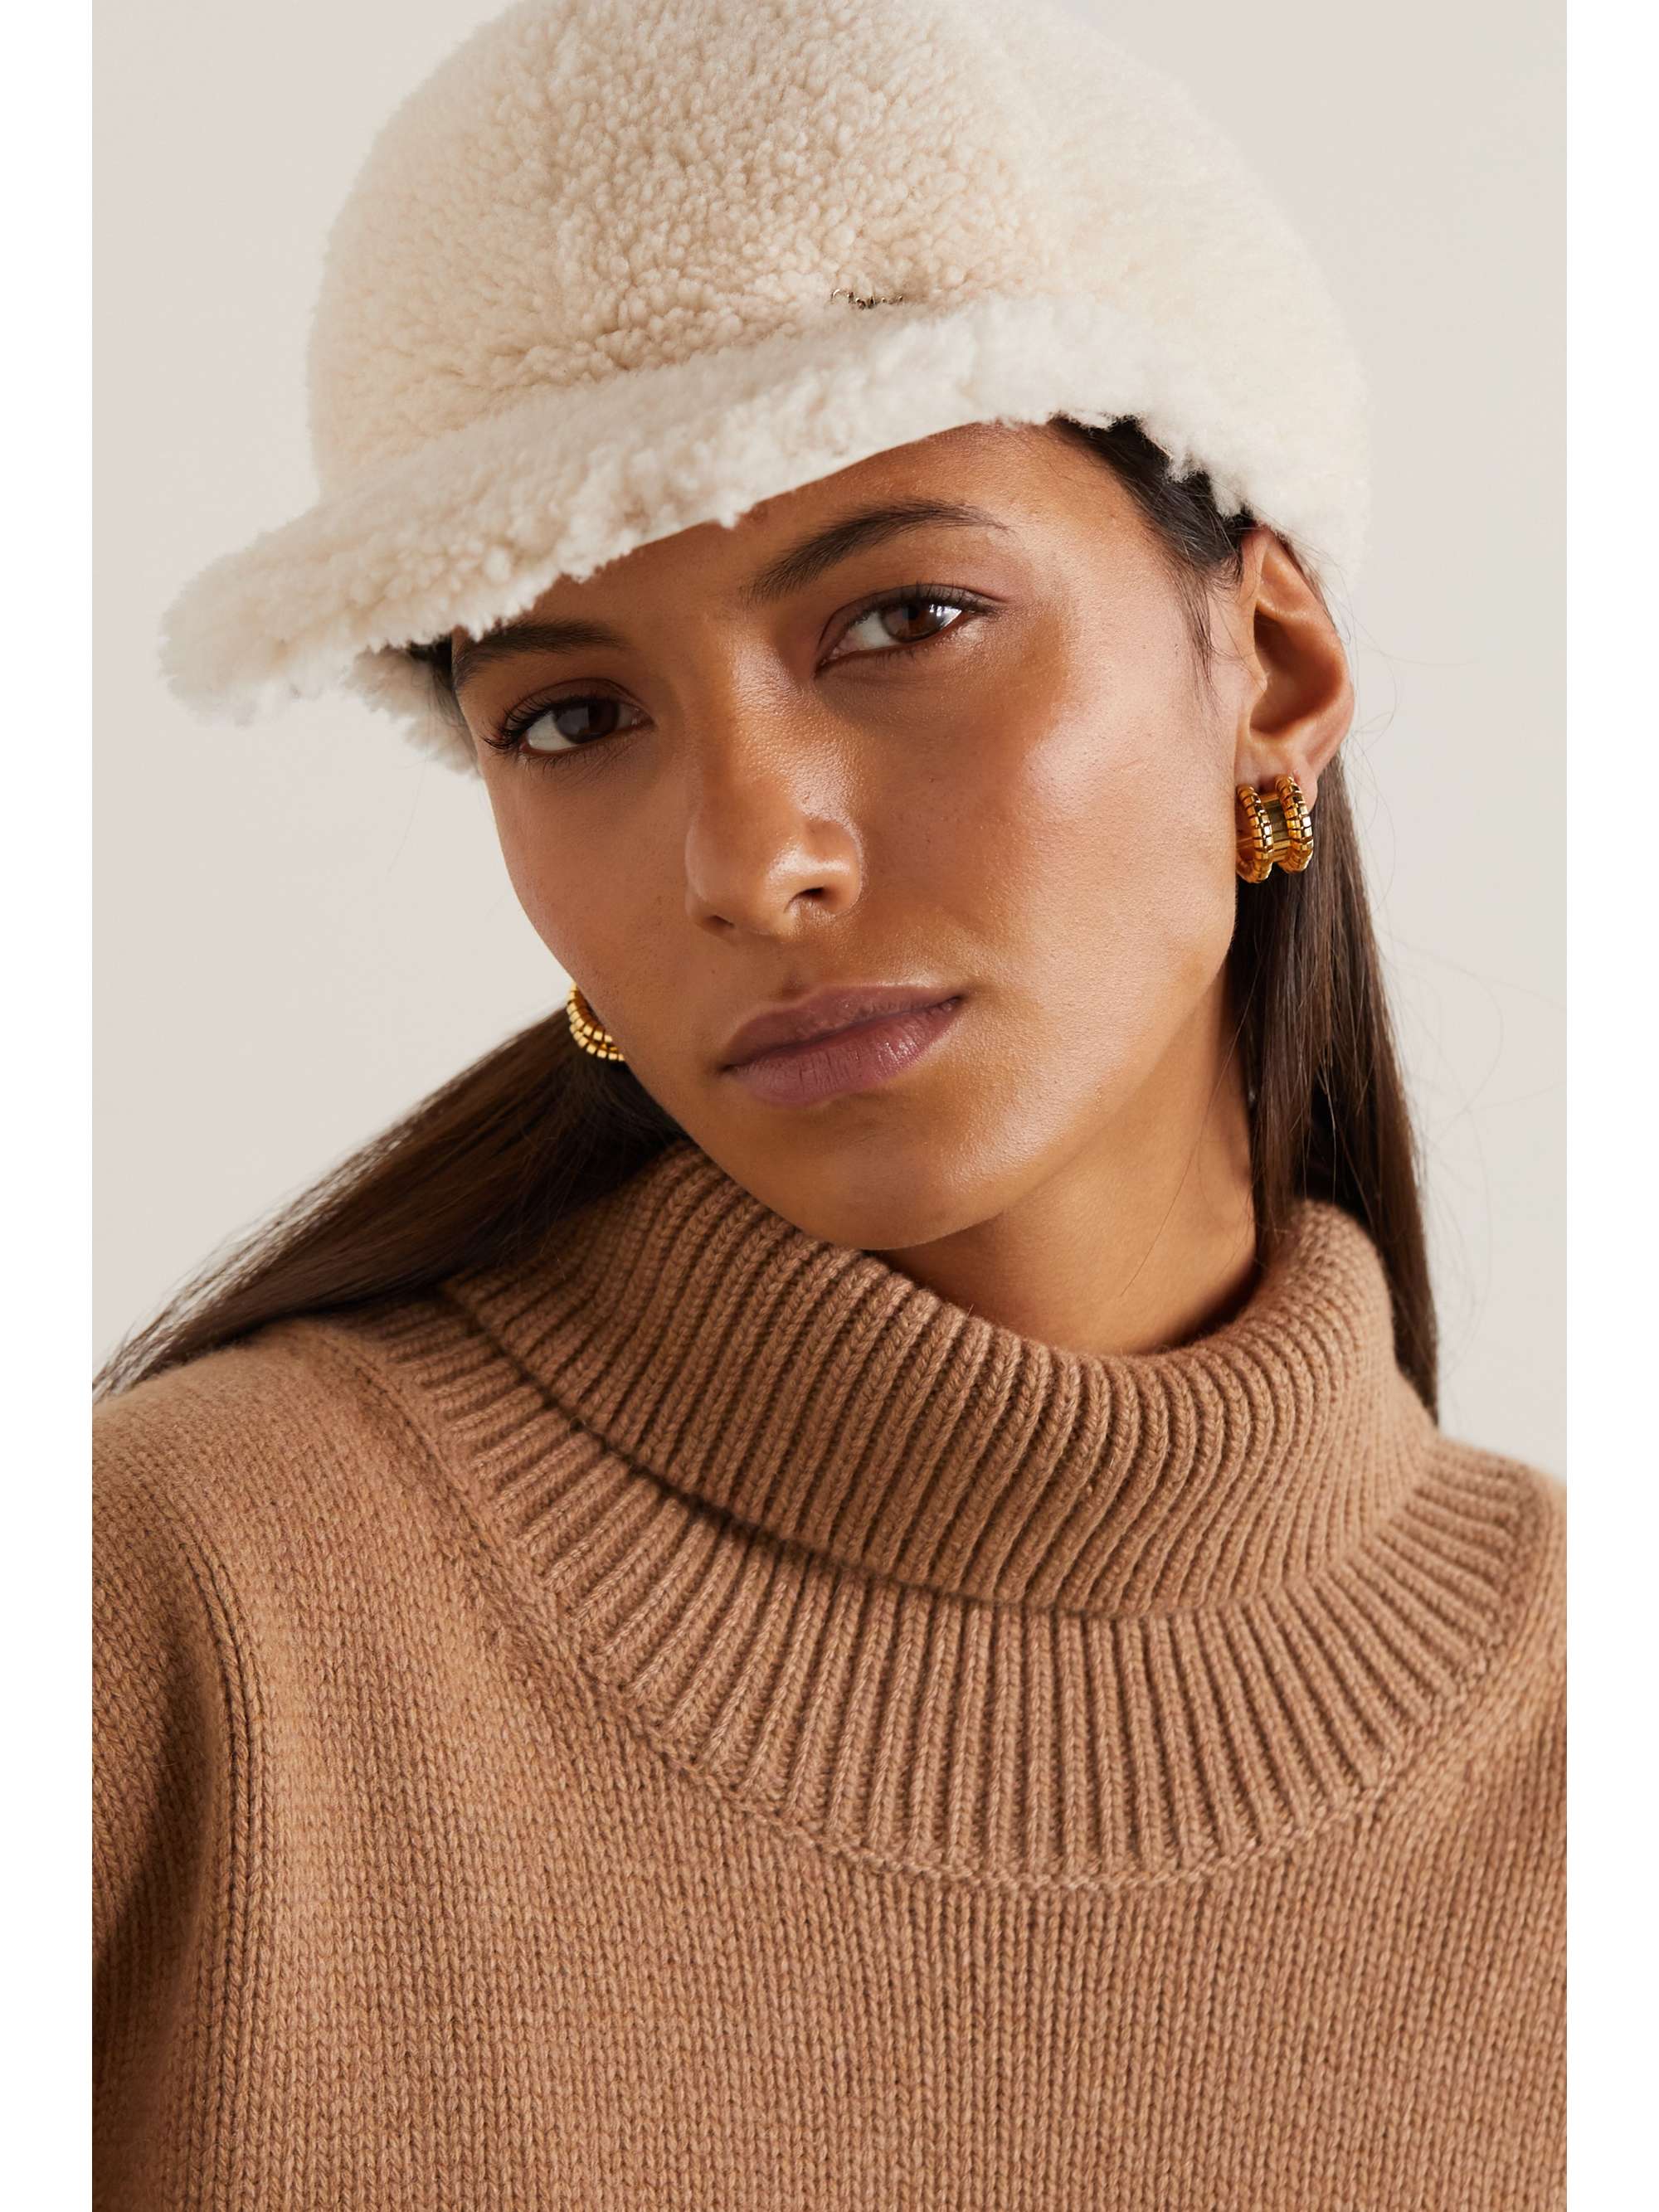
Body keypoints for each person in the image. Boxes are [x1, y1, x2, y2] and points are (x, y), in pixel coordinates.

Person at [95, 2, 1565, 2205]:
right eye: (572, 719)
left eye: (905, 619)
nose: (749, 857)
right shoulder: (171, 1612)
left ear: (1273, 665)